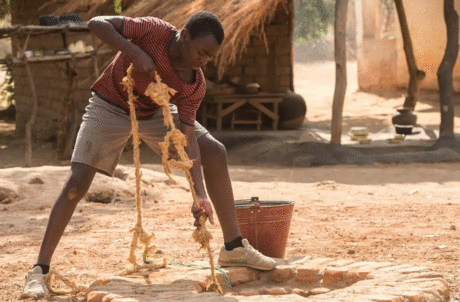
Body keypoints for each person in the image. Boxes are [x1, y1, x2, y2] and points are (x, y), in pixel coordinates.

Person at [23, 11, 276, 299]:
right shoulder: (154, 32)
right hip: (110, 104)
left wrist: (199, 195)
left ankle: (233, 247)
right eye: (201, 51)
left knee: (215, 152)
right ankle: (39, 270)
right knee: (76, 185)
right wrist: (134, 52)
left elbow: (187, 136)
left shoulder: (194, 83)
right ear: (186, 35)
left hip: (157, 112)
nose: (204, 60)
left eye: (210, 56)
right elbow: (96, 24)